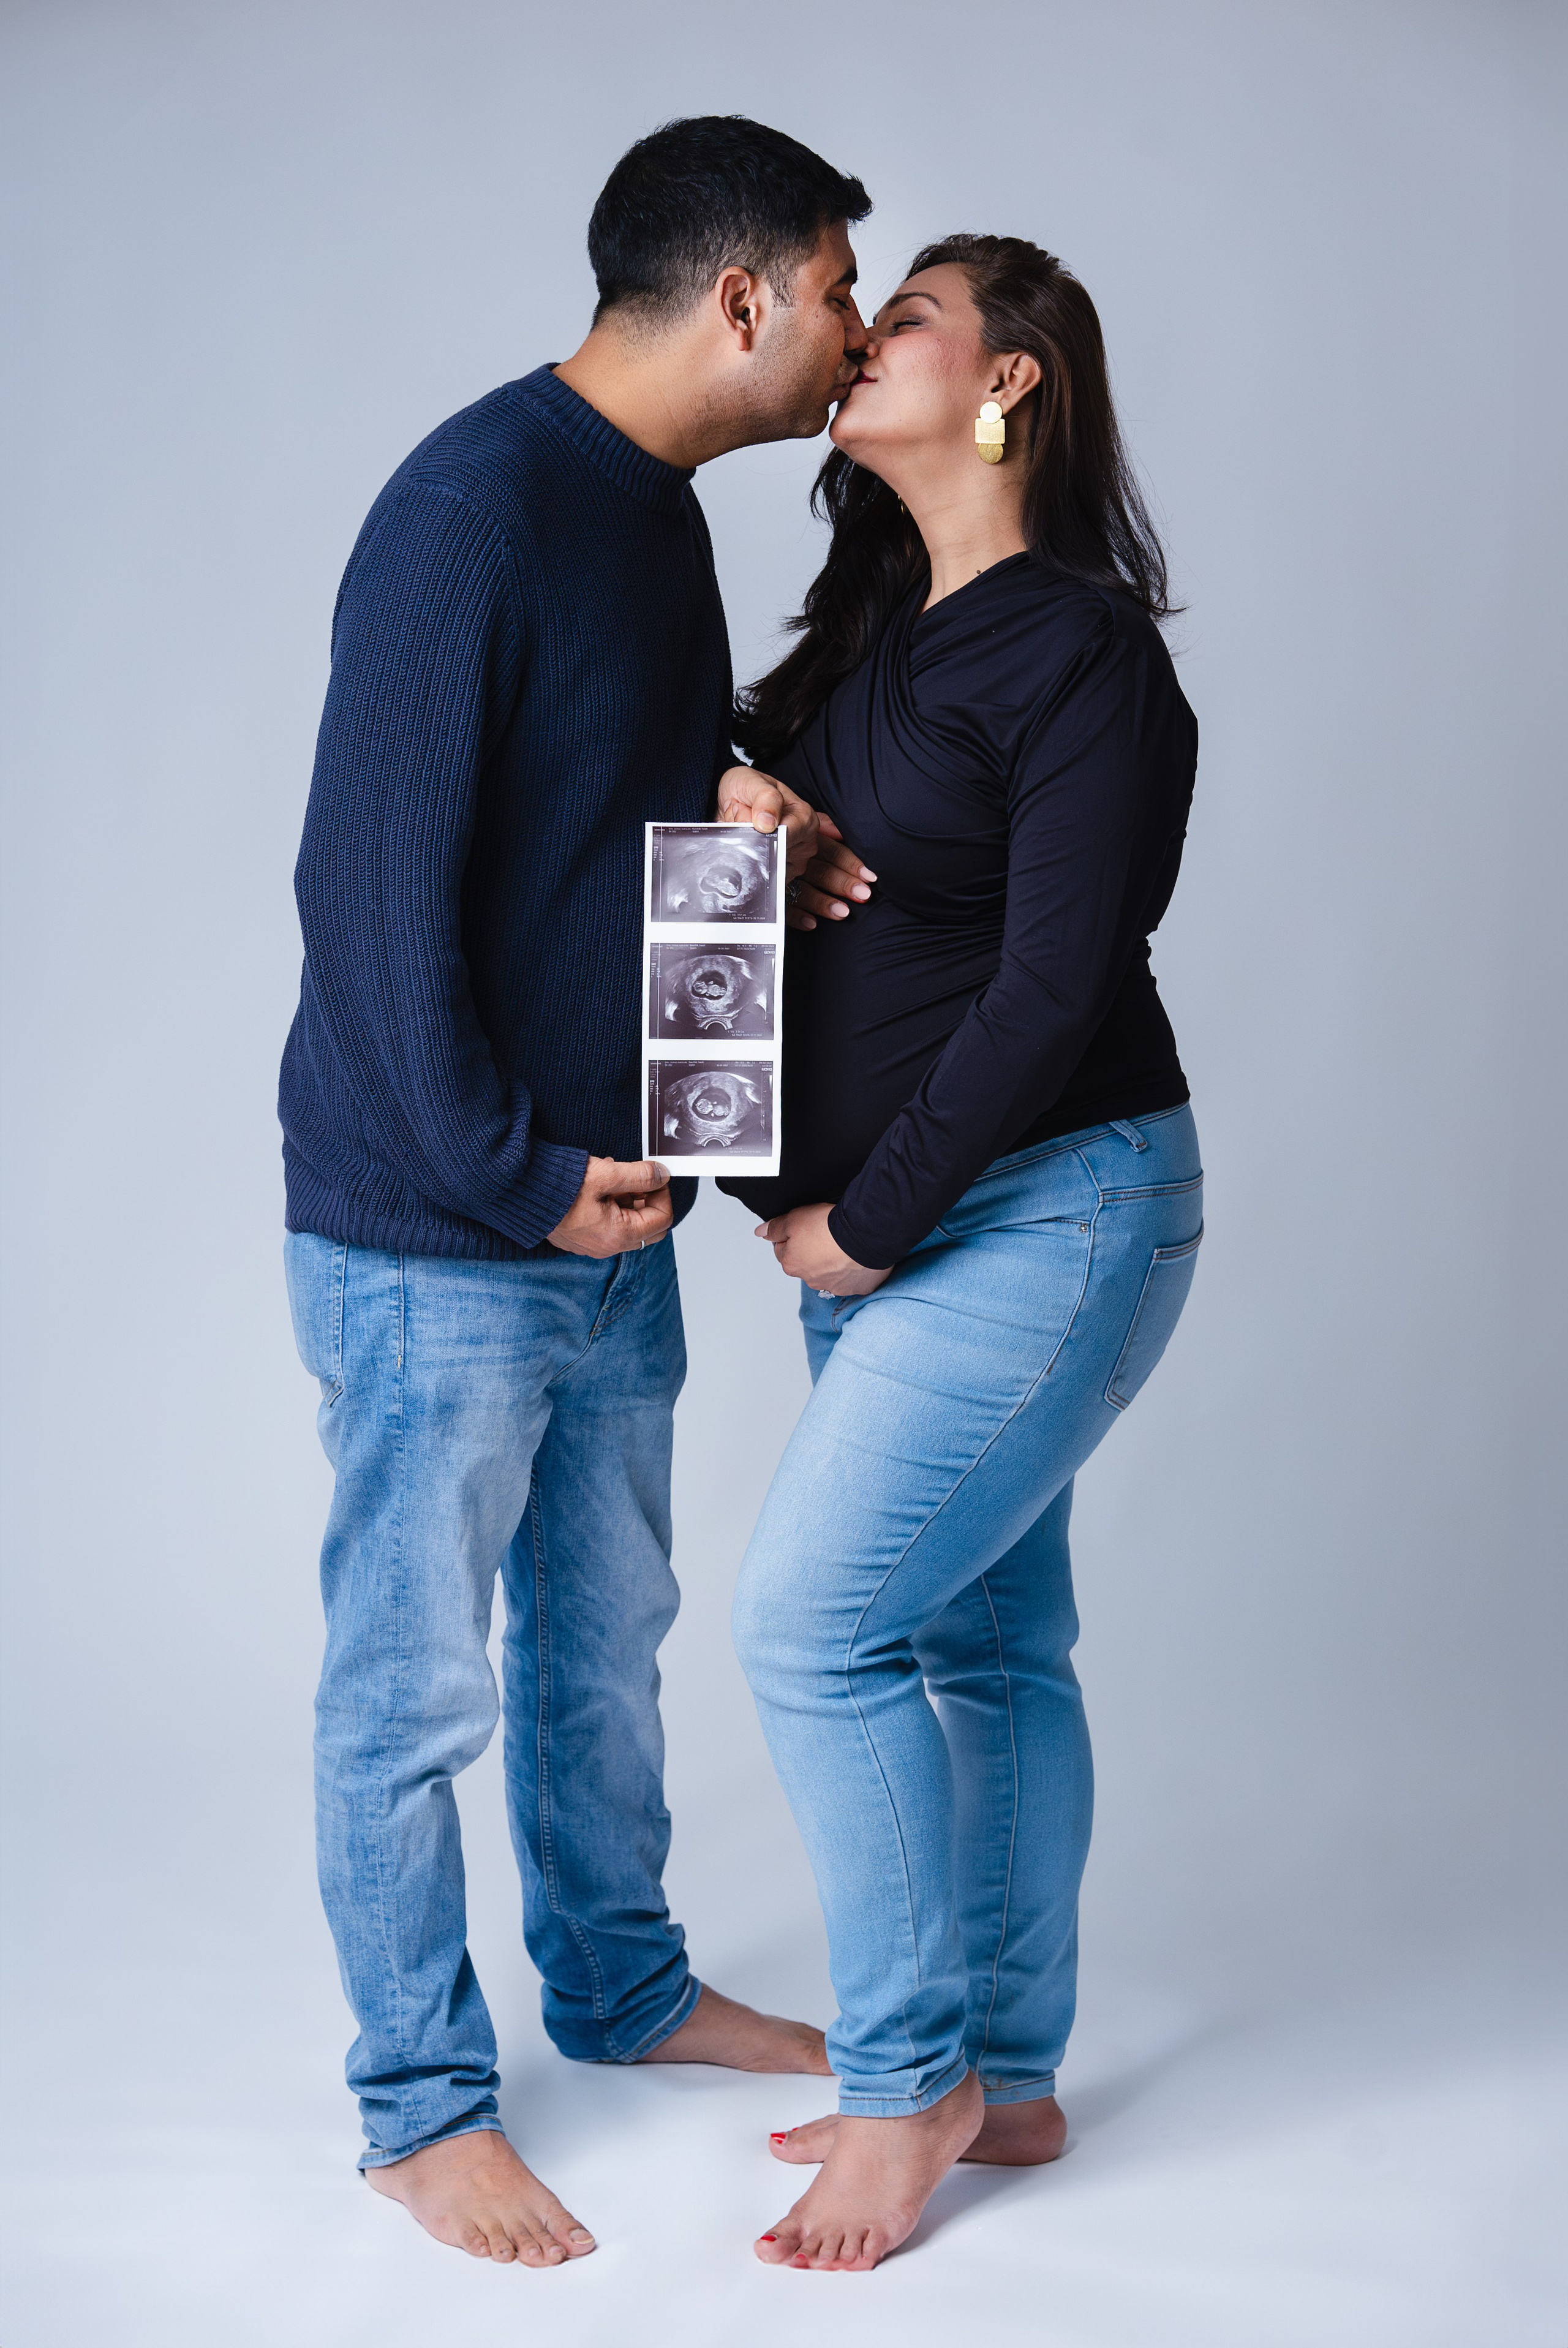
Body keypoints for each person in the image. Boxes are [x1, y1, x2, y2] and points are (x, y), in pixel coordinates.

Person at [278, 116, 879, 2270]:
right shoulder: (473, 508)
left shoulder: (650, 513)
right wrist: (520, 1177)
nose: (849, 336)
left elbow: (615, 768)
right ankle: (418, 2105)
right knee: (413, 1680)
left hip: (600, 1206)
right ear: (739, 297)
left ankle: (619, 1987)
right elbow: (362, 900)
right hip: (449, 1220)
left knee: (604, 1639)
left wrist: (736, 794)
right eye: (831, 290)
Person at [720, 234, 1203, 2271]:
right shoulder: (863, 637)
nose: (857, 340)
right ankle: (1008, 2075)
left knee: (812, 1630)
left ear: (1010, 380)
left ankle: (912, 2083)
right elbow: (712, 832)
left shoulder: (1082, 651)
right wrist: (746, 785)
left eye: (901, 313)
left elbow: (1054, 979)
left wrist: (862, 1226)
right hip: (903, 1232)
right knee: (986, 1645)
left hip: (1051, 1209)